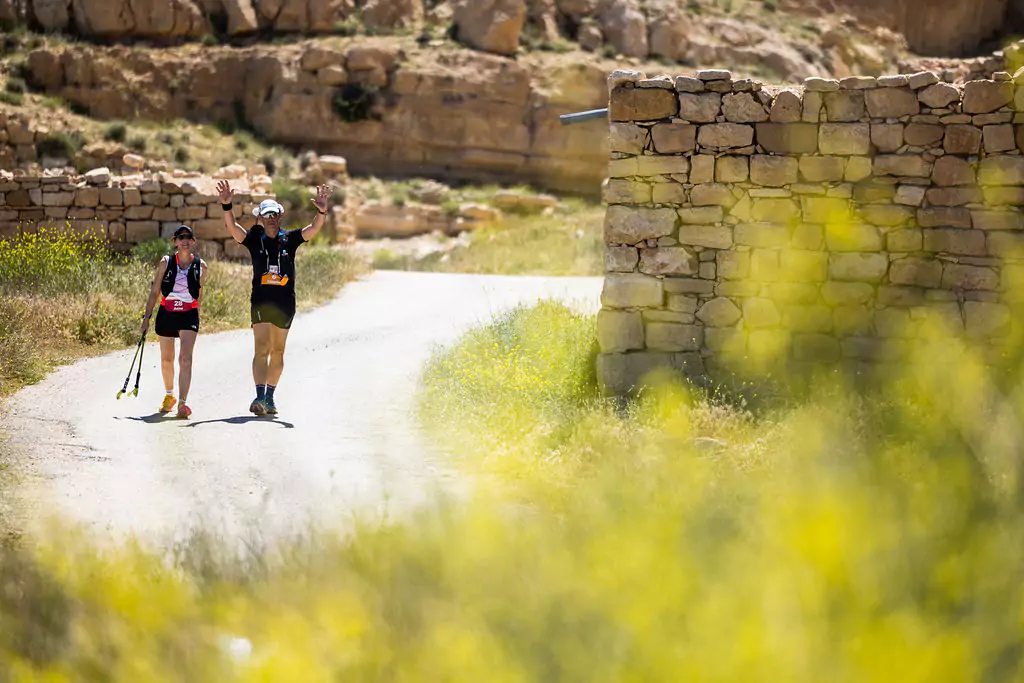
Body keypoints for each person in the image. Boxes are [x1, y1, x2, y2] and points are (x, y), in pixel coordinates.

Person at [217, 179, 335, 416]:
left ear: (279, 216)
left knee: (277, 351)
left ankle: (270, 397)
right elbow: (233, 229)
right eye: (266, 214)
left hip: (284, 302)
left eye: (274, 214)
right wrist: (227, 206)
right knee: (261, 348)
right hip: (261, 301)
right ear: (260, 217)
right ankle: (259, 396)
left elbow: (313, 228)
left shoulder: (289, 239)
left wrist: (322, 210)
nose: (270, 218)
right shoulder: (254, 239)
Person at [141, 225, 208, 419]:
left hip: (188, 314)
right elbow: (155, 292)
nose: (185, 240)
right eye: (181, 237)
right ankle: (169, 396)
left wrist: (198, 315)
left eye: (188, 237)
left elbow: (199, 294)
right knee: (166, 359)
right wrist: (146, 318)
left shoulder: (201, 266)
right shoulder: (166, 262)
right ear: (175, 241)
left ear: (193, 241)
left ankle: (182, 402)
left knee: (185, 358)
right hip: (167, 312)